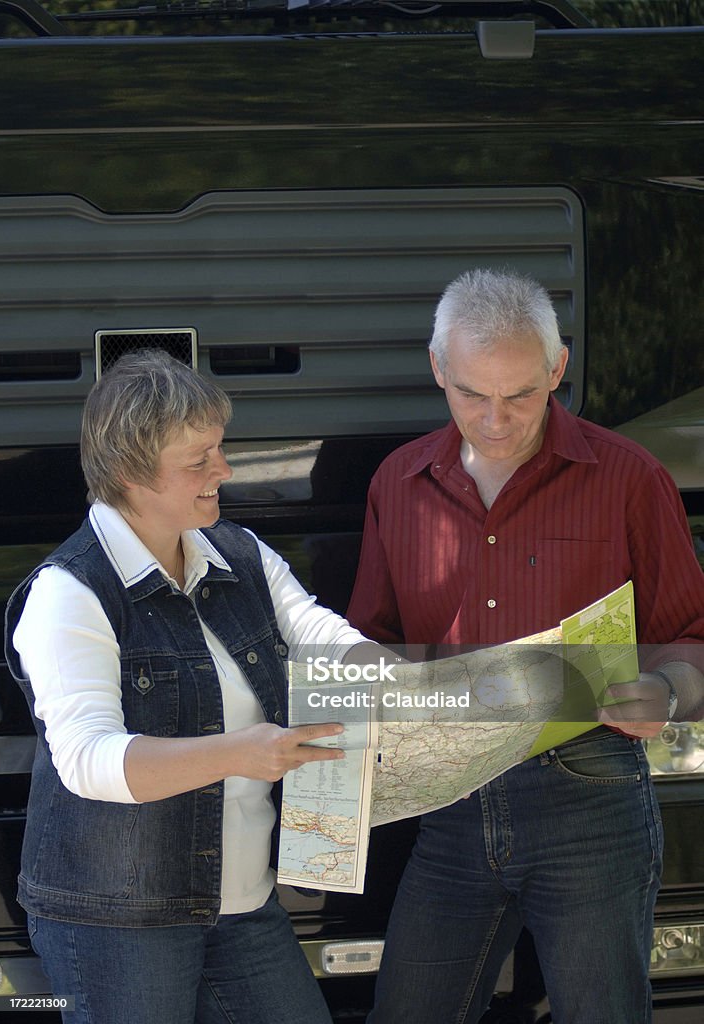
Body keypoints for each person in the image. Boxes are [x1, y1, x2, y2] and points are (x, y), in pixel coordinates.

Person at [347, 268, 704, 1024]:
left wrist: (667, 691)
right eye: (472, 393)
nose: (496, 418)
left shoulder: (629, 477)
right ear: (439, 368)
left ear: (556, 369)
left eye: (519, 394)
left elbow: (691, 635)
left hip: (589, 797)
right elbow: (368, 645)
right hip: (447, 804)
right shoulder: (397, 483)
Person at [4, 349, 378, 1024]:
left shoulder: (237, 551)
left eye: (220, 448)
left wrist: (402, 675)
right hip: (118, 923)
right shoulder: (68, 593)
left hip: (241, 905)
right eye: (198, 460)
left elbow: (315, 632)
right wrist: (239, 752)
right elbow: (90, 761)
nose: (225, 471)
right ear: (129, 473)